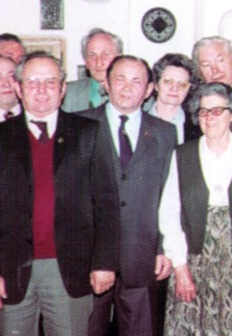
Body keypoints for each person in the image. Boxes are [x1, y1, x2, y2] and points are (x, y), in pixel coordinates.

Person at [0, 52, 119, 336]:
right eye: (33, 82)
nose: (41, 90)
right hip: (10, 268)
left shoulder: (89, 132)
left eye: (50, 82)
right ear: (18, 87)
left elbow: (107, 204)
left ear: (63, 89)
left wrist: (104, 263)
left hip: (71, 268)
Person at [159, 82, 232, 335]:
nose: (208, 118)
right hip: (194, 262)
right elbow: (169, 216)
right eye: (203, 112)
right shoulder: (182, 156)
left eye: (216, 111)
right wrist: (180, 270)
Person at [76, 55, 177, 336]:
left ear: (148, 90)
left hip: (142, 257)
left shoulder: (165, 133)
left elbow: (169, 197)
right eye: (120, 79)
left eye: (137, 81)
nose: (127, 87)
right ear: (106, 84)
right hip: (89, 259)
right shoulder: (78, 126)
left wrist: (162, 248)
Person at [62, 28, 123, 112]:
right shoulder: (66, 93)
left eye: (105, 54)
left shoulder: (135, 93)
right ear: (86, 61)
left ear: (119, 58)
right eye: (92, 55)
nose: (98, 62)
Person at [147, 53, 201, 144]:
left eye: (182, 84)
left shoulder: (197, 126)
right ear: (156, 85)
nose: (175, 88)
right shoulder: (138, 122)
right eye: (168, 82)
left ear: (188, 89)